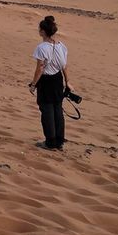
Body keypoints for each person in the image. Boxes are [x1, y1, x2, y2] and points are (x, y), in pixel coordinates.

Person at [28, 15, 73, 150]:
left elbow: (40, 68)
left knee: (47, 110)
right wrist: (67, 81)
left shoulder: (42, 47)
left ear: (43, 31)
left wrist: (33, 84)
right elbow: (64, 66)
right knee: (57, 109)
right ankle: (59, 141)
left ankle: (50, 142)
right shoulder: (62, 46)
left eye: (40, 29)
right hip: (58, 80)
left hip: (47, 81)